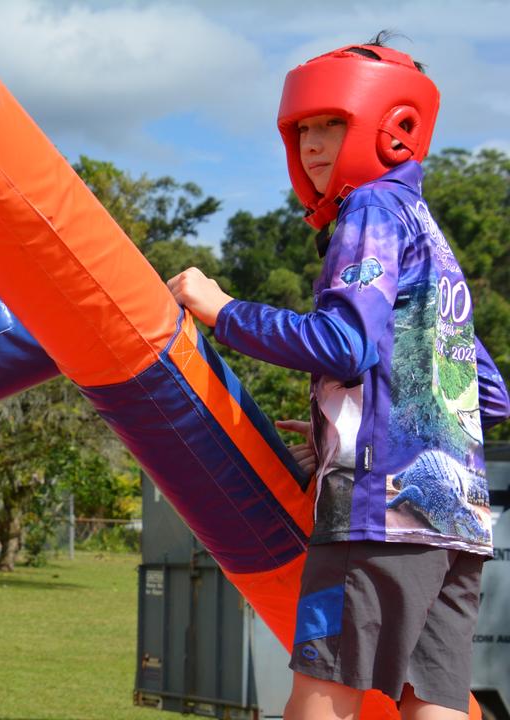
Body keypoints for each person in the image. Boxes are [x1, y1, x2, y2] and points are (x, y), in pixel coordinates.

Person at [166, 36, 510, 720]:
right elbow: (490, 395)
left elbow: (344, 344)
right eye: (304, 129)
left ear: (392, 127)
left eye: (334, 123)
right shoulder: (430, 236)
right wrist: (348, 419)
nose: (314, 145)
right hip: (459, 518)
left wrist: (222, 309)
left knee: (324, 691)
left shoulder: (371, 211)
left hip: (379, 512)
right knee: (433, 701)